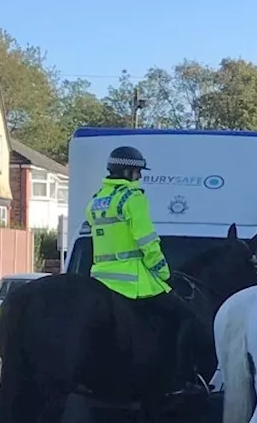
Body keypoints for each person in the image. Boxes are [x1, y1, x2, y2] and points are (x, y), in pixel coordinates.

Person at [87, 145, 203, 396]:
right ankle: (178, 380)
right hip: (132, 282)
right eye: (138, 172)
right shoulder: (133, 198)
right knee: (186, 316)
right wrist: (163, 273)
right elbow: (147, 241)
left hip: (100, 279)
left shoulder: (97, 200)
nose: (139, 177)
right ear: (128, 171)